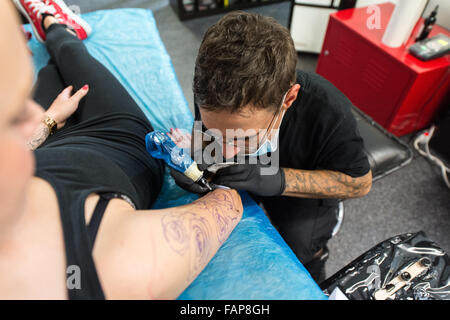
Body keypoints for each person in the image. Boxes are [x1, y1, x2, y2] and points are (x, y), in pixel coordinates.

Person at [0, 0, 243, 299]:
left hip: (50, 140)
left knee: (52, 75)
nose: (33, 116)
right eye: (13, 118)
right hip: (118, 142)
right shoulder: (117, 265)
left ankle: (50, 30)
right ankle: (55, 23)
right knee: (69, 53)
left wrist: (48, 122)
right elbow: (229, 204)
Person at [171, 11, 372, 283]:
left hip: (299, 185)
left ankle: (314, 262)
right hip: (255, 172)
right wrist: (195, 164)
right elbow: (208, 144)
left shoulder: (328, 111)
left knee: (299, 243)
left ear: (288, 99)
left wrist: (279, 180)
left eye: (243, 139)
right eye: (217, 132)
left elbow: (359, 183)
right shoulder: (211, 90)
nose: (229, 151)